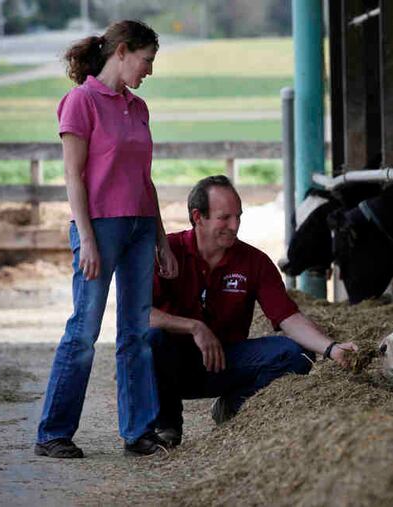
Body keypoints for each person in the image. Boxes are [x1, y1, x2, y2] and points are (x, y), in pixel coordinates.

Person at [35, 20, 178, 459]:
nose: (149, 70)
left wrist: (162, 240)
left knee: (135, 333)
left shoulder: (139, 108)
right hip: (99, 227)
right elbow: (73, 178)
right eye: (146, 60)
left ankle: (137, 433)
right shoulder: (81, 102)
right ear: (122, 52)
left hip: (138, 228)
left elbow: (145, 181)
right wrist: (88, 240)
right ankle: (53, 433)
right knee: (84, 330)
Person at [148, 175, 358, 447]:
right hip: (171, 363)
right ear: (198, 217)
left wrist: (331, 349)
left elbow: (287, 317)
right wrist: (194, 327)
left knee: (296, 354)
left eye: (238, 217)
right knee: (151, 339)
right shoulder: (166, 252)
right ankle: (167, 425)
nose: (234, 226)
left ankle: (234, 408)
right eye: (225, 218)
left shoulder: (254, 261)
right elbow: (138, 314)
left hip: (224, 362)